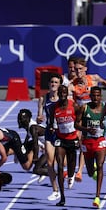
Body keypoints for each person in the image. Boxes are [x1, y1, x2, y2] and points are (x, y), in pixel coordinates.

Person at [70, 58, 106, 182]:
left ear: (85, 69)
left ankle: (92, 164)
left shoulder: (94, 78)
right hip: (83, 115)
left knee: (96, 140)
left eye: (80, 69)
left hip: (96, 114)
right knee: (82, 141)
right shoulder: (72, 85)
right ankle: (80, 171)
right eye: (76, 69)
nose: (78, 71)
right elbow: (70, 100)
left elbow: (105, 83)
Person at [74, 86, 106, 208]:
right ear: (90, 96)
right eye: (93, 95)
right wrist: (86, 129)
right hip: (87, 142)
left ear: (101, 96)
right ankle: (91, 169)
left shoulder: (105, 107)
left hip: (100, 141)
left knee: (100, 166)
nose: (96, 98)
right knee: (89, 172)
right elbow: (76, 125)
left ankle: (97, 196)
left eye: (98, 95)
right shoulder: (84, 107)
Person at [48, 84, 81, 206]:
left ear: (67, 94)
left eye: (64, 92)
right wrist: (52, 128)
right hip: (60, 140)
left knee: (72, 164)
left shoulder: (74, 105)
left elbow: (79, 120)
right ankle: (62, 197)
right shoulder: (53, 108)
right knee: (60, 167)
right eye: (60, 92)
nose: (62, 94)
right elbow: (51, 122)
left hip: (72, 139)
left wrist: (79, 133)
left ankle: (71, 175)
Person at [37, 73, 63, 201]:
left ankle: (68, 176)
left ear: (60, 85)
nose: (53, 84)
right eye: (52, 82)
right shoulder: (43, 98)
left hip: (62, 133)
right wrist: (39, 118)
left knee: (61, 162)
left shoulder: (64, 99)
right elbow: (39, 118)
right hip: (49, 132)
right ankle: (55, 190)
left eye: (56, 82)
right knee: (49, 162)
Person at [17, 108, 48, 180]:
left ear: (28, 118)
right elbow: (28, 136)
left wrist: (35, 157)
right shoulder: (29, 127)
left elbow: (35, 144)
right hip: (47, 146)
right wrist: (24, 144)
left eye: (23, 118)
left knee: (36, 170)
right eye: (20, 118)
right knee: (38, 166)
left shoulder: (33, 128)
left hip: (52, 146)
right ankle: (45, 171)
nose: (21, 120)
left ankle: (61, 174)